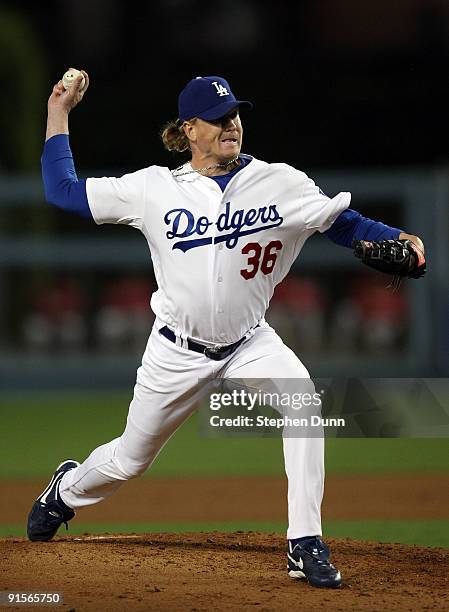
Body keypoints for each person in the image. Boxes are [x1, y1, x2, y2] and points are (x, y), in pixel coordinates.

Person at [27, 70, 425, 589]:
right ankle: (65, 491)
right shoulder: (153, 188)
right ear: (189, 129)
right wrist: (59, 111)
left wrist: (398, 237)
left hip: (248, 342)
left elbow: (342, 223)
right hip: (175, 350)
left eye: (233, 114)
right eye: (216, 119)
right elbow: (62, 193)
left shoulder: (280, 181)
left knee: (302, 401)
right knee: (129, 459)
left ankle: (305, 542)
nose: (230, 124)